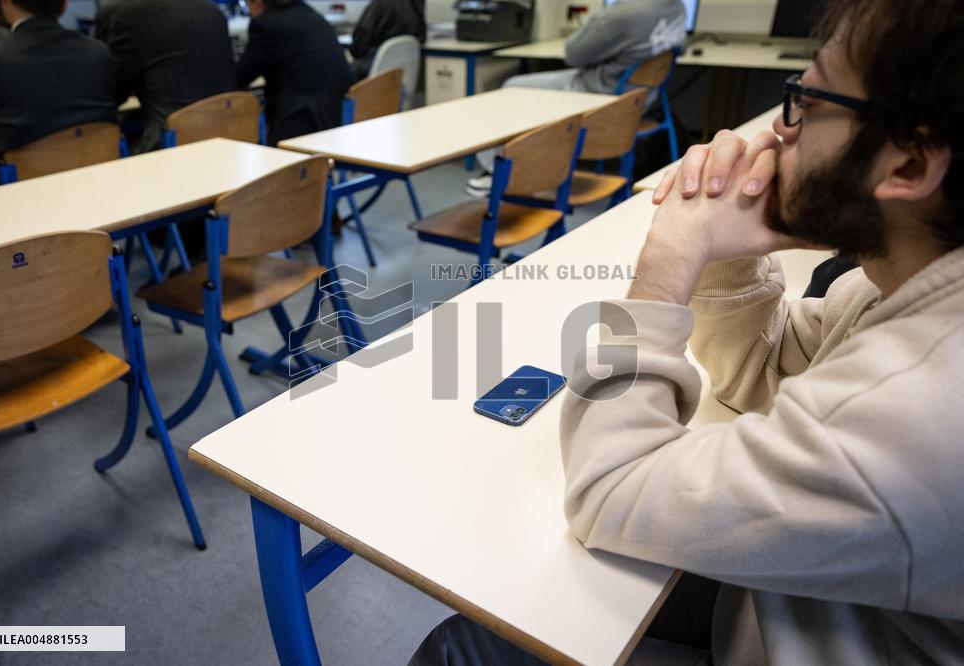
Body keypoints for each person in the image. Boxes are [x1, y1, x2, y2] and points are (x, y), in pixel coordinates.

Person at [413, 0, 964, 662]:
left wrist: (671, 253)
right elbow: (771, 369)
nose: (781, 134)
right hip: (819, 601)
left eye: (807, 101)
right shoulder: (910, 286)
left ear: (907, 165)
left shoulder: (916, 409)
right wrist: (726, 254)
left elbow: (605, 493)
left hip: (799, 634)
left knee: (464, 646)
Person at [466, 0, 686, 196]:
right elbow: (680, 47)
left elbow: (574, 55)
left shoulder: (621, 13)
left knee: (513, 87)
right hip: (643, 98)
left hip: (604, 96)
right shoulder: (676, 6)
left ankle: (496, 171)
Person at [0, 0, 116, 190]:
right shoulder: (99, 52)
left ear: (6, 3)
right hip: (96, 184)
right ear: (65, 5)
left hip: (14, 196)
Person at [94, 0, 236, 153]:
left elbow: (113, 92)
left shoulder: (129, 16)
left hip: (172, 144)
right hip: (228, 134)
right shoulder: (213, 12)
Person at [237, 0, 353, 146]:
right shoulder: (309, 13)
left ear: (258, 3)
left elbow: (241, 76)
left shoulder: (266, 24)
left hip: (302, 121)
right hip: (336, 115)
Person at [347, 0, 425, 81]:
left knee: (339, 74)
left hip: (374, 73)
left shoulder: (380, 4)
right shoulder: (415, 4)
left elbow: (358, 48)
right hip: (399, 79)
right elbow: (421, 37)